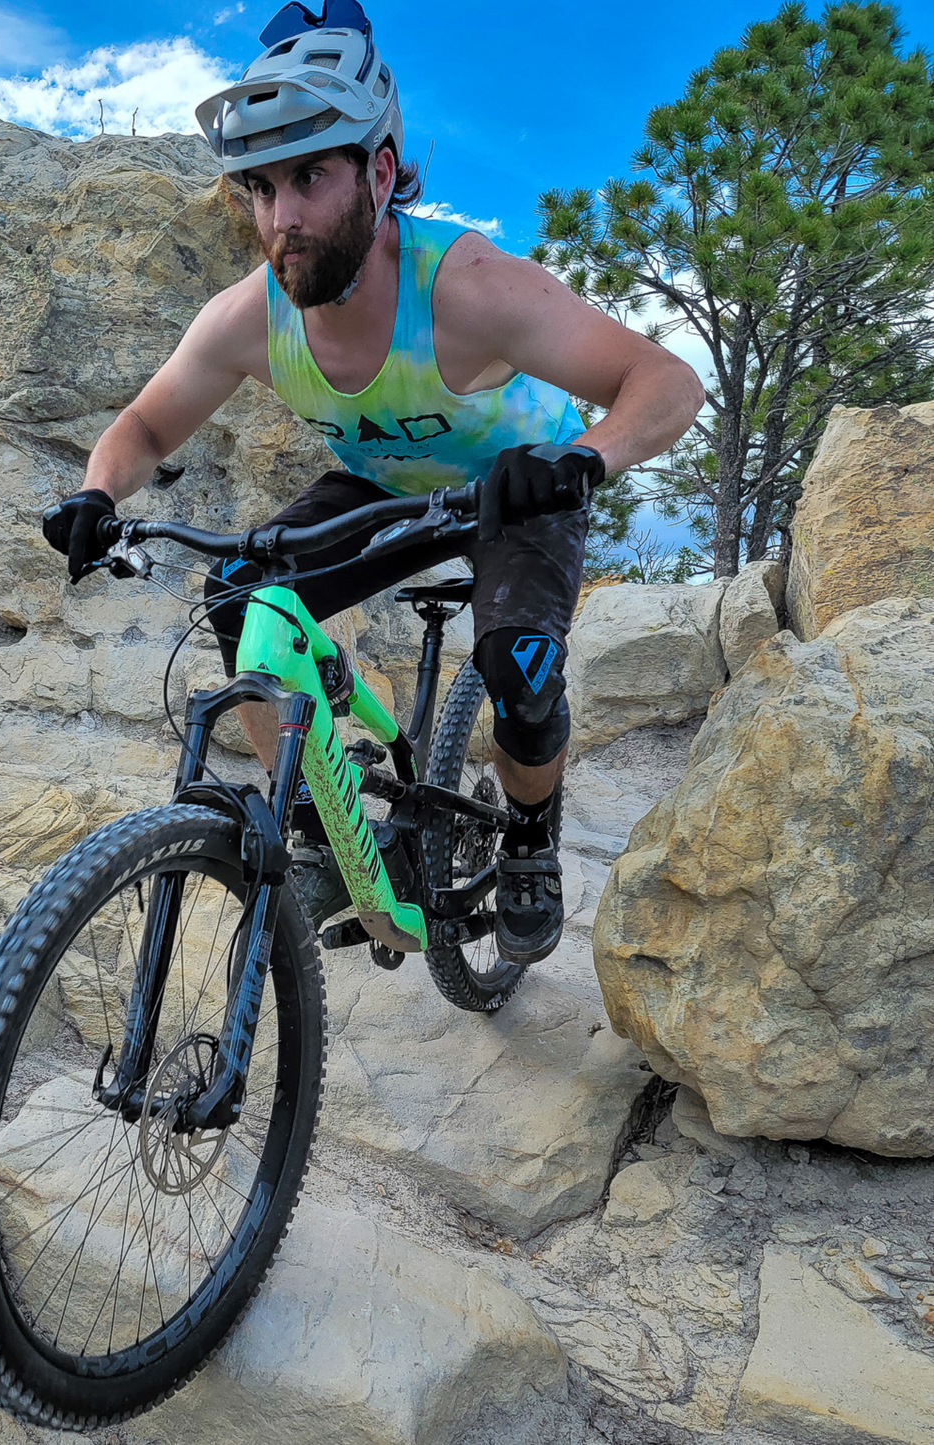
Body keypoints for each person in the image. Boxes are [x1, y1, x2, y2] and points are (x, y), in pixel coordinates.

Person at [44, 0, 702, 965]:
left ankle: (527, 843)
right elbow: (145, 425)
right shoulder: (248, 317)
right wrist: (98, 494)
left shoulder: (466, 286)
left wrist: (582, 460)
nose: (283, 217)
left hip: (515, 490)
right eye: (262, 187)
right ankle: (316, 831)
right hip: (382, 488)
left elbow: (665, 382)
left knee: (517, 664)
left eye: (310, 176)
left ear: (381, 171)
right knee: (244, 599)